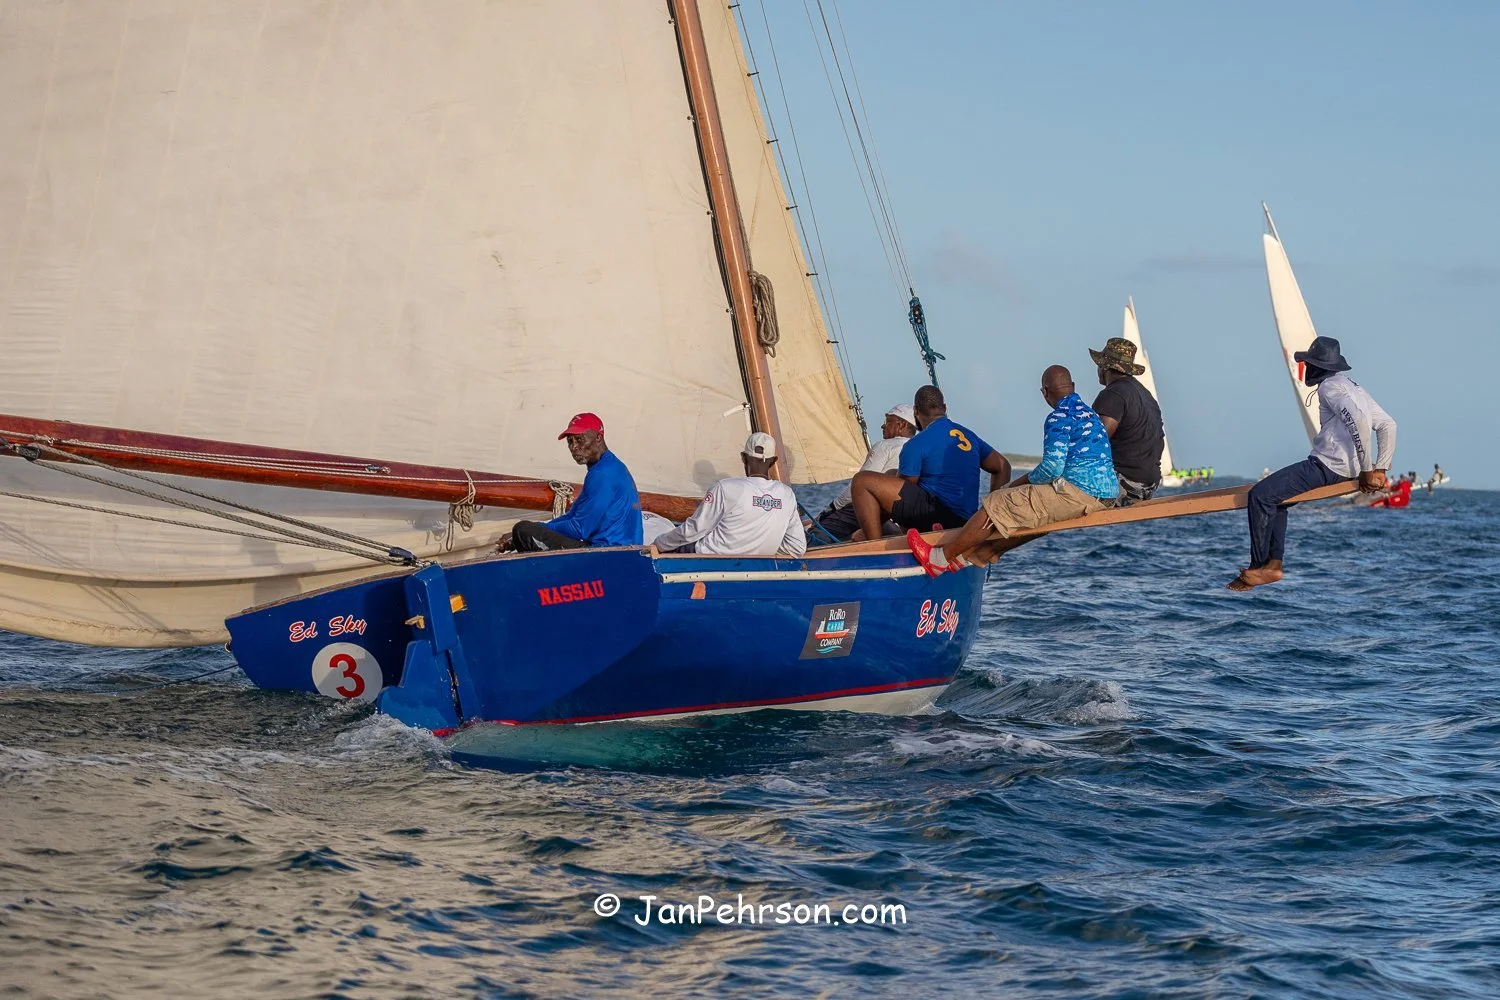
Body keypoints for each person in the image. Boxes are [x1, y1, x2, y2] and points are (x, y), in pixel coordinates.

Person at [907, 365, 1118, 575]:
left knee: (996, 503)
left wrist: (1017, 484)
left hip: (1081, 493)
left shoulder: (1059, 417)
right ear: (1072, 386)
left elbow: (1052, 468)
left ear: (1045, 392)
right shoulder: (1090, 414)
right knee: (1025, 509)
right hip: (1106, 493)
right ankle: (971, 556)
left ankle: (939, 559)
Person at [1228, 336, 1396, 591]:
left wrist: (1367, 471)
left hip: (1327, 467)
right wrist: (1380, 468)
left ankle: (1258, 568)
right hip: (1342, 468)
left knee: (1260, 496)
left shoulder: (1329, 387)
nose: (1306, 368)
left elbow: (1361, 422)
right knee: (1279, 499)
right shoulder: (1352, 385)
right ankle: (1273, 565)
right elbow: (1388, 425)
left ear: (1319, 366)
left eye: (1309, 363)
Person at [847, 385, 1011, 541]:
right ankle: (902, 536)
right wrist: (990, 515)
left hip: (939, 516)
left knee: (862, 481)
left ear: (916, 411)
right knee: (891, 475)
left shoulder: (917, 444)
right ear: (944, 408)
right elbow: (1003, 466)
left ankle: (873, 545)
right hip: (967, 520)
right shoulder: (969, 436)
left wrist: (867, 527)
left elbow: (902, 491)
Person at [499, 413, 642, 553]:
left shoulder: (603, 474)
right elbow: (572, 516)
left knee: (522, 530)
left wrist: (532, 529)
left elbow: (579, 528)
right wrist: (539, 527)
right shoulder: (608, 467)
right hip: (615, 552)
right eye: (570, 442)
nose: (574, 447)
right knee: (526, 529)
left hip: (611, 555)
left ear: (598, 437)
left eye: (579, 440)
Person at [652, 432, 806, 557]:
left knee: (675, 546)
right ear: (773, 462)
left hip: (708, 559)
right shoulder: (787, 495)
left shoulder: (725, 487)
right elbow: (797, 547)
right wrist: (761, 549)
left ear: (743, 457)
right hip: (758, 566)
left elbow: (695, 529)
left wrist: (659, 544)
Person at [811, 403, 918, 543]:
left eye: (888, 421)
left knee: (815, 537)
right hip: (899, 515)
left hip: (869, 510)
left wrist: (831, 509)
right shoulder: (916, 449)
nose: (882, 426)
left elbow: (856, 488)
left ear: (902, 425)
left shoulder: (885, 446)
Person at [1089, 337, 1165, 503]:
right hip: (1147, 487)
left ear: (1105, 367)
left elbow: (1091, 444)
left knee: (1046, 494)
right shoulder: (1145, 394)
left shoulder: (1113, 395)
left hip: (1124, 487)